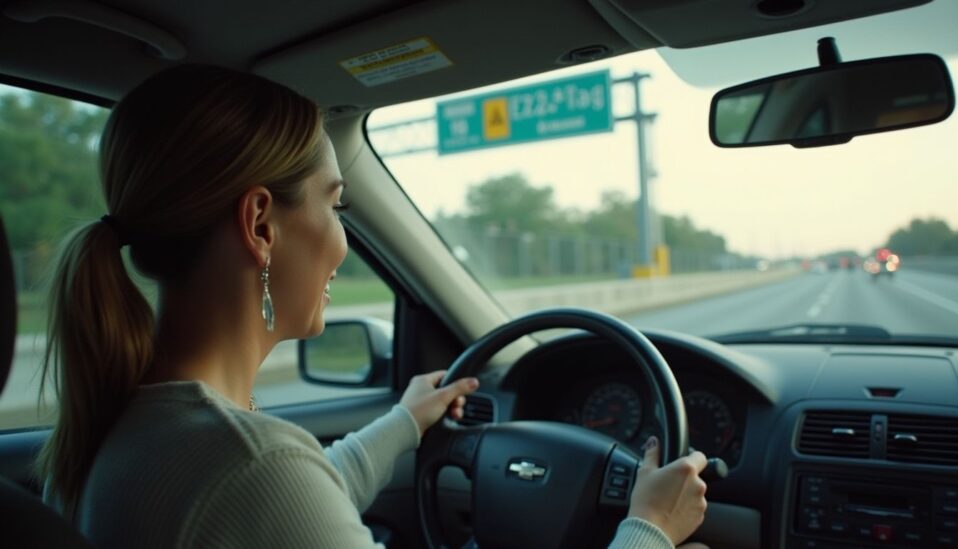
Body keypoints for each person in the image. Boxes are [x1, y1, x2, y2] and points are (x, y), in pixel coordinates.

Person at [37, 64, 708, 548]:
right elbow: (277, 491)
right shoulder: (248, 465)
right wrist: (646, 529)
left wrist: (404, 421)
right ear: (261, 225)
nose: (342, 243)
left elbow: (300, 499)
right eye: (336, 205)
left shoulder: (130, 428)